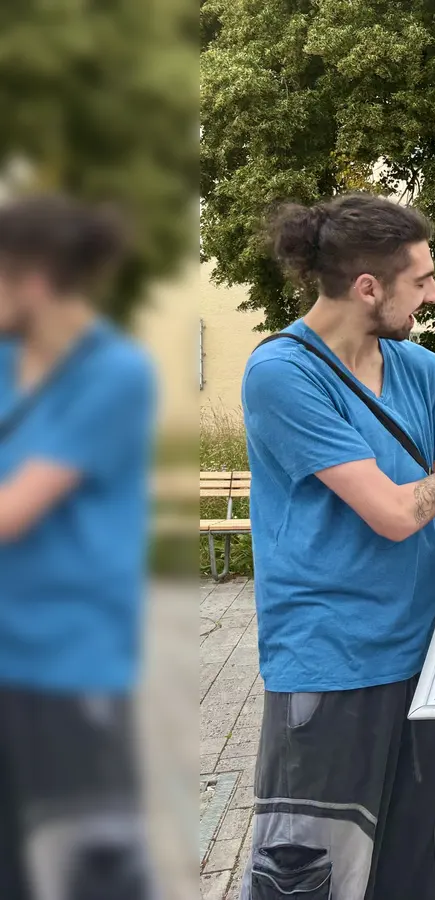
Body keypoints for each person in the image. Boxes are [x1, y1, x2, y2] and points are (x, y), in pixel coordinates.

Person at [239, 194, 435, 900]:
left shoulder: (420, 369)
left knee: (419, 863)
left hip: (425, 658)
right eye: (421, 280)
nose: (432, 293)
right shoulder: (283, 373)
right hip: (332, 663)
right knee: (314, 872)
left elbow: (427, 476)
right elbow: (394, 514)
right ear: (369, 287)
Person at [0, 195, 156, 899]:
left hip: (69, 672)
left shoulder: (112, 375)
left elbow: (13, 512)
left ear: (32, 280)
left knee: (86, 875)